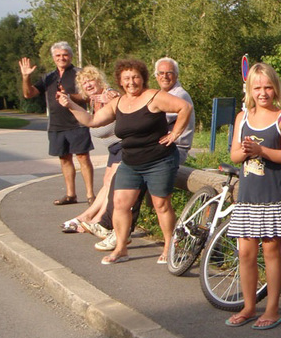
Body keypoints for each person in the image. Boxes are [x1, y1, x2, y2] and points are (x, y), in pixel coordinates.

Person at [58, 58, 192, 265]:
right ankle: (121, 248)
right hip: (131, 162)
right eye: (127, 78)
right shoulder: (118, 103)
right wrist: (71, 105)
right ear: (120, 81)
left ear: (143, 79)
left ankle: (168, 246)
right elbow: (92, 121)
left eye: (135, 77)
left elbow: (184, 107)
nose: (131, 82)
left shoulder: (154, 96)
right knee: (120, 204)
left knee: (161, 205)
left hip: (159, 160)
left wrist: (175, 133)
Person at [91, 57, 196, 251]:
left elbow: (149, 117)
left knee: (154, 199)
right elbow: (98, 125)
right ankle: (110, 230)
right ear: (155, 76)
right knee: (117, 186)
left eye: (169, 73)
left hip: (170, 150)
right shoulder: (154, 95)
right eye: (161, 73)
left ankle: (120, 231)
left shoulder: (174, 94)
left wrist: (174, 133)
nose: (165, 77)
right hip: (141, 153)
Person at [225, 62, 281, 330]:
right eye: (257, 87)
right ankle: (249, 306)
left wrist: (261, 150)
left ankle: (272, 309)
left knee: (271, 252)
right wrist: (245, 150)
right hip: (247, 197)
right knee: (245, 253)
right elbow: (233, 155)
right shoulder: (242, 117)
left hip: (273, 197)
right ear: (249, 90)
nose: (263, 92)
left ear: (275, 88)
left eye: (267, 87)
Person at [19, 41, 95, 206]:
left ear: (71, 56)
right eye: (58, 55)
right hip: (56, 124)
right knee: (64, 159)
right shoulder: (48, 77)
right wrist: (26, 77)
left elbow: (89, 96)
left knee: (83, 157)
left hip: (78, 122)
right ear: (53, 58)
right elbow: (28, 93)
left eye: (65, 55)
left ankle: (90, 195)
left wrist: (69, 97)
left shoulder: (80, 74)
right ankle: (70, 195)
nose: (62, 58)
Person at [60, 66, 119, 234]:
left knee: (109, 184)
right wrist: (70, 103)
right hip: (114, 149)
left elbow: (120, 101)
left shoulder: (109, 95)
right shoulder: (94, 101)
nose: (88, 85)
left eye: (90, 80)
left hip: (124, 146)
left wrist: (113, 97)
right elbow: (90, 119)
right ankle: (88, 218)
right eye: (84, 83)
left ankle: (97, 220)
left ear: (99, 80)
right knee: (106, 184)